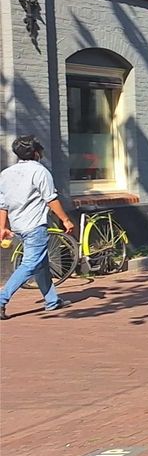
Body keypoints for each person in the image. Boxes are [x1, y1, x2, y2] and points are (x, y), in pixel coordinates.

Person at [0, 135, 75, 319]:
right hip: (35, 226)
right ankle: (1, 299)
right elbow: (51, 199)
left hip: (18, 226)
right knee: (30, 264)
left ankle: (52, 301)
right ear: (36, 153)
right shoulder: (40, 171)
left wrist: (2, 227)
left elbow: (3, 204)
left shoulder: (6, 174)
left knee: (41, 263)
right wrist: (65, 220)